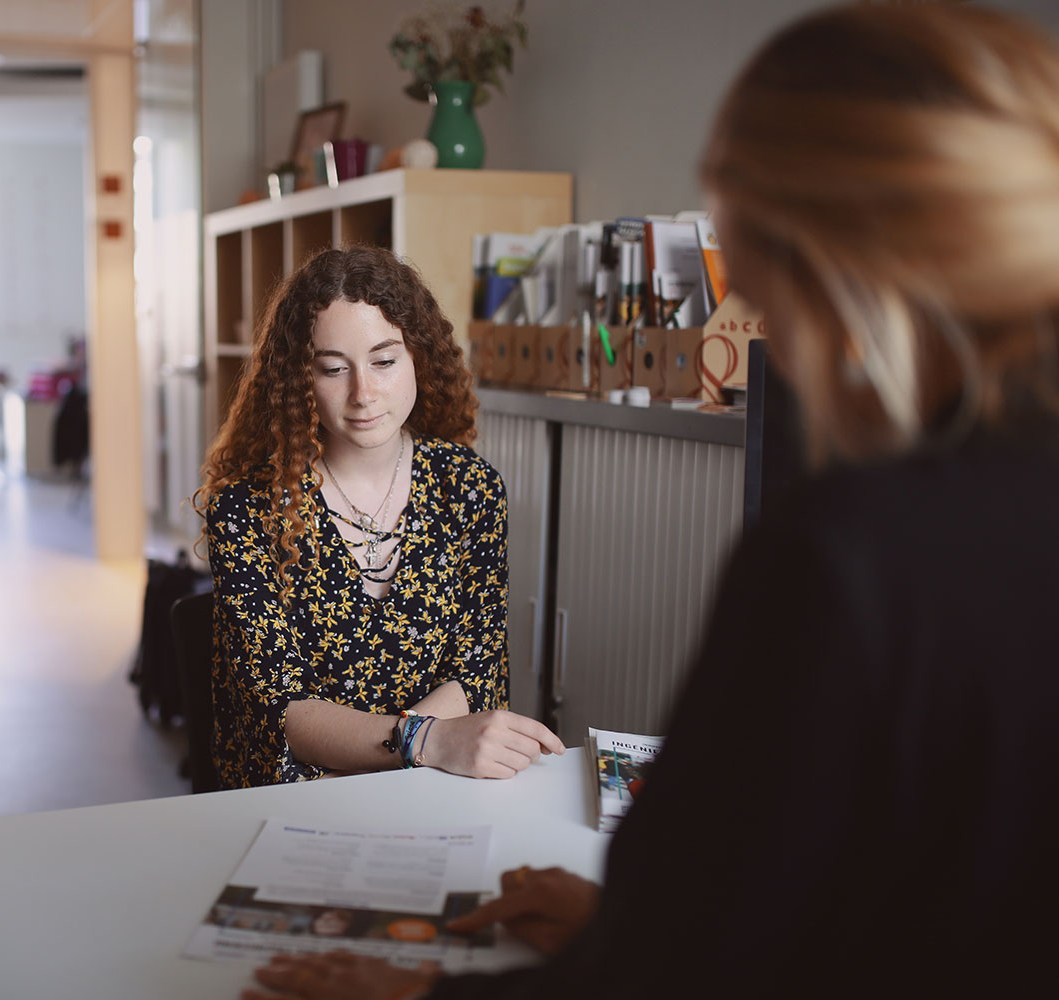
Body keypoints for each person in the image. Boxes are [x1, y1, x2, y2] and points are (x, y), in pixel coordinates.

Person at [240, 4, 1059, 997]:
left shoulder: (845, 553)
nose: (764, 343)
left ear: (832, 266)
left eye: (756, 286)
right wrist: (625, 923)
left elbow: (678, 959)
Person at [196, 246, 563, 789]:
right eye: (333, 369)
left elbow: (478, 669)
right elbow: (283, 711)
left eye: (384, 361)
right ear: (300, 379)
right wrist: (427, 742)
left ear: (420, 357)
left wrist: (408, 756)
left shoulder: (471, 489)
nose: (363, 394)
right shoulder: (246, 509)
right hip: (296, 799)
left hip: (431, 786)